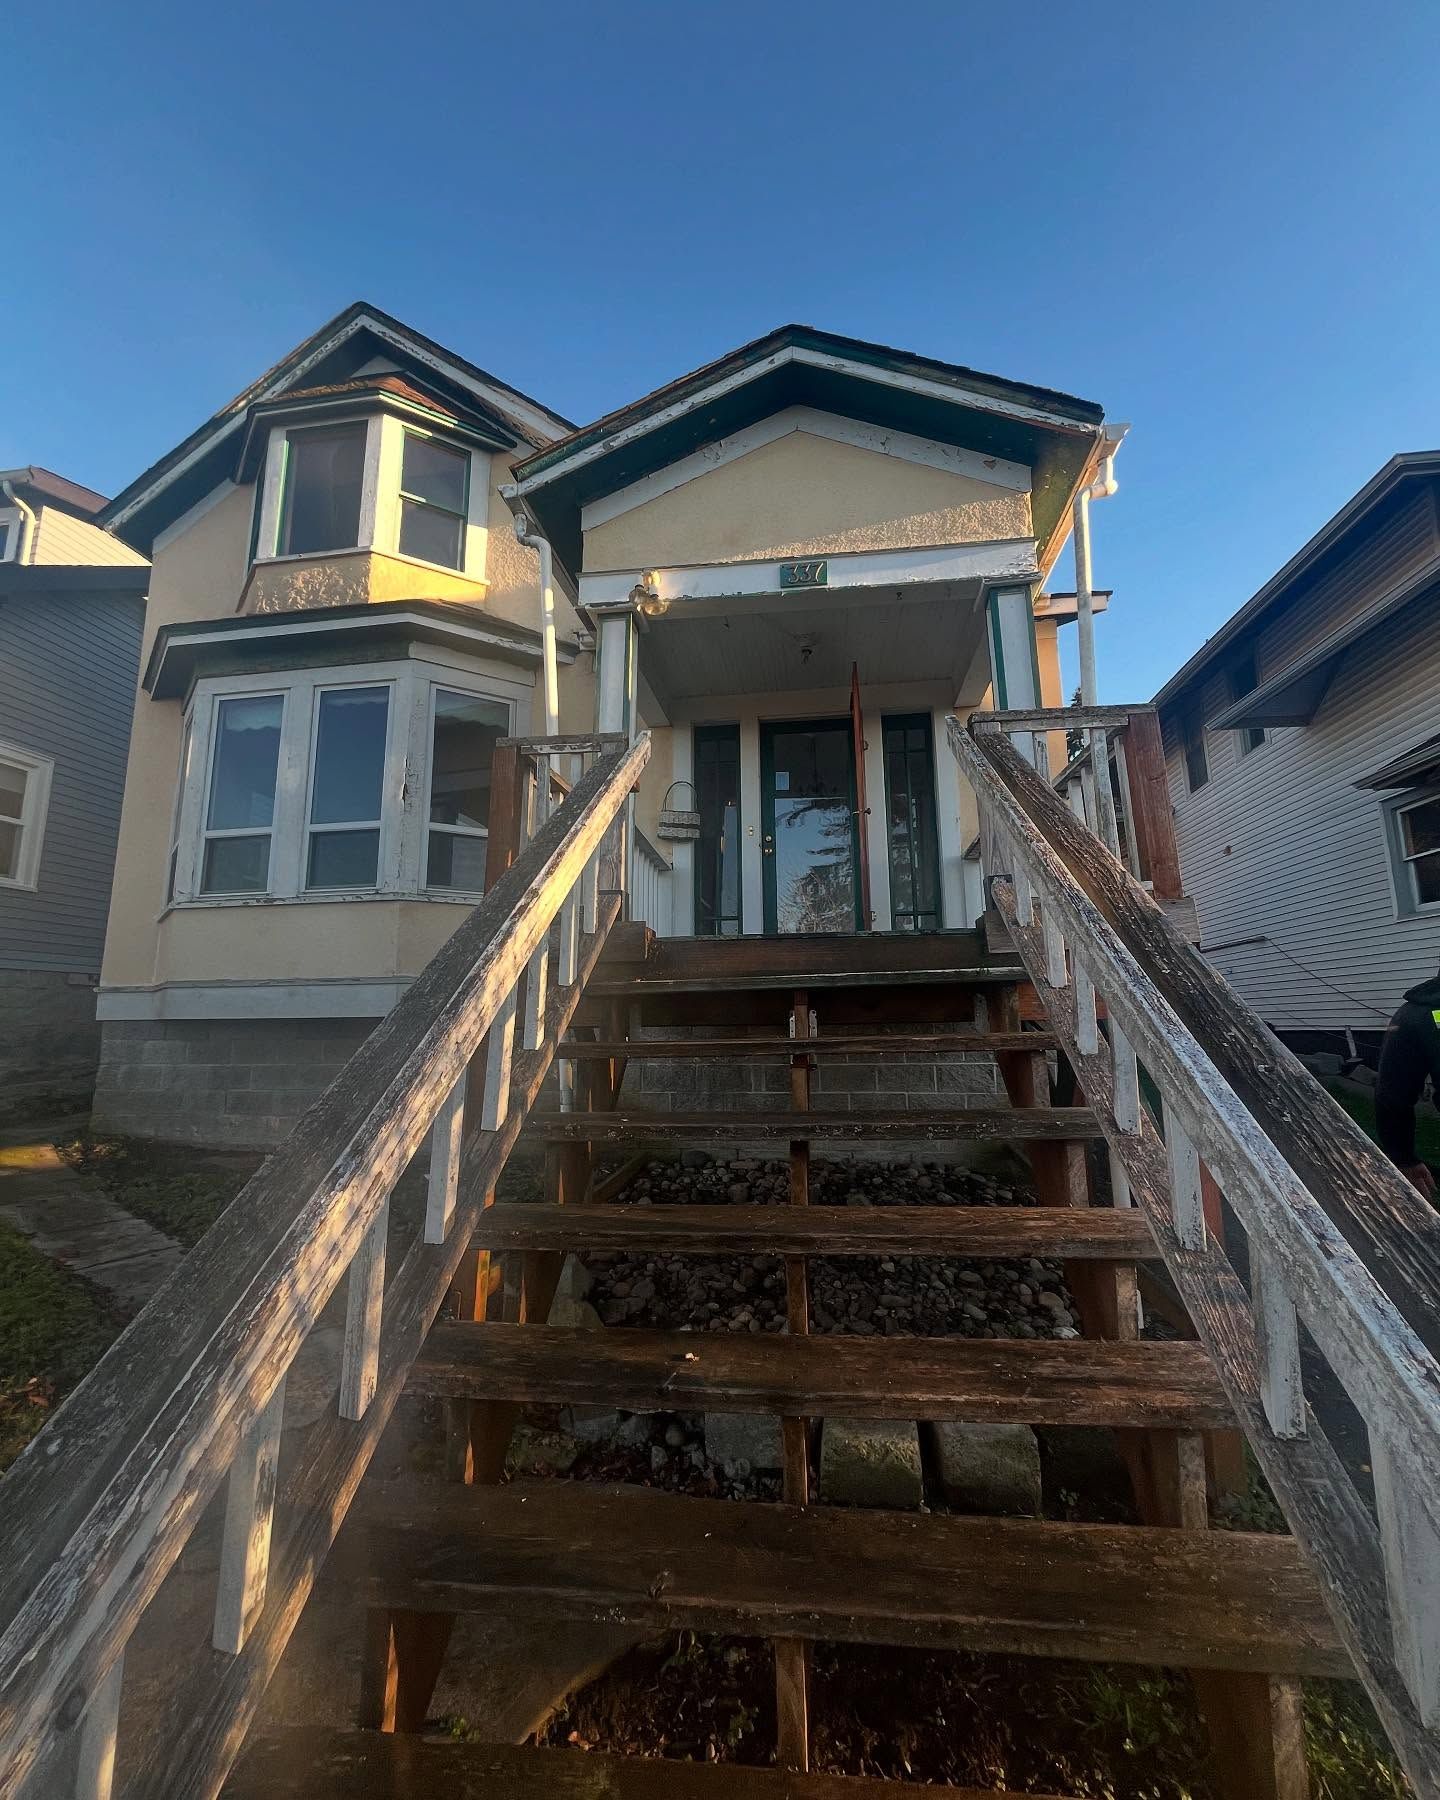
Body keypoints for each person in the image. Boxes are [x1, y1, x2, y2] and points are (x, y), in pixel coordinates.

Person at [1375, 970, 1440, 1199]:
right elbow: (1394, 1095)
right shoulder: (1419, 1015)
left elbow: (1392, 1094)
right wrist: (1404, 1157)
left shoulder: (1415, 1014)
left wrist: (1403, 1157)